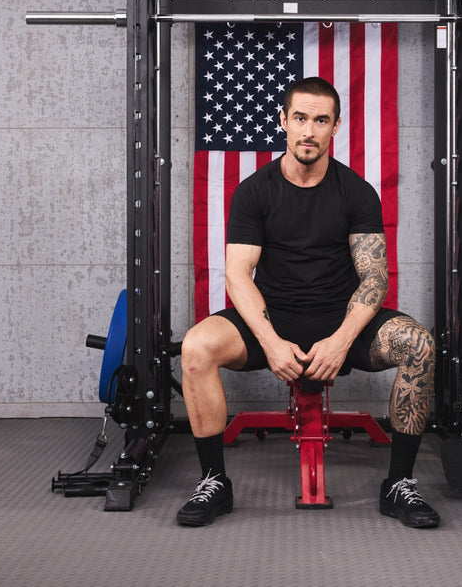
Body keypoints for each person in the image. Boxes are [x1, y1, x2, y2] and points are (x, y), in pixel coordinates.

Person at [176, 76, 439, 529]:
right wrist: (272, 342)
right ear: (283, 121)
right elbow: (238, 277)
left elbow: (374, 280)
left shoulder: (356, 193)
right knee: (196, 347)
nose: (309, 131)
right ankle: (214, 481)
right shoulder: (255, 191)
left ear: (336, 127)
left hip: (341, 322)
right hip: (271, 320)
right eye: (300, 118)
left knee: (419, 345)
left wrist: (339, 342)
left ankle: (399, 483)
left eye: (321, 120)